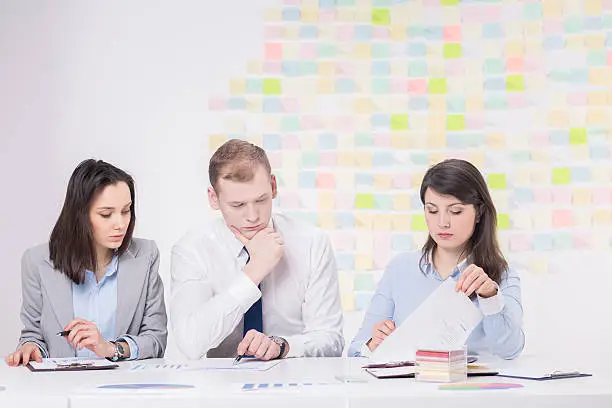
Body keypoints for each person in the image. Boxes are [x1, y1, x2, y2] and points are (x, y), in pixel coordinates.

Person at [171, 139, 344, 360]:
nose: (253, 216)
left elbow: (331, 340)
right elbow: (191, 343)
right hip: (221, 387)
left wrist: (284, 346)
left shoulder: (312, 243)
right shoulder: (192, 249)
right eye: (238, 205)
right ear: (214, 198)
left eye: (261, 200)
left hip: (295, 383)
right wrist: (254, 271)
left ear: (273, 186)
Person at [348, 159, 525, 359]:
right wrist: (374, 344)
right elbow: (355, 351)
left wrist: (490, 297)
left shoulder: (501, 276)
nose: (442, 222)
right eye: (432, 210)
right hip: (411, 388)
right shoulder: (401, 269)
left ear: (479, 213)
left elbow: (510, 350)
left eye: (455, 211)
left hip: (472, 388)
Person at [5, 159, 167, 366]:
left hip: (124, 389)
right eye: (106, 214)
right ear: (79, 215)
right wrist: (30, 348)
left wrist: (109, 348)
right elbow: (34, 335)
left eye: (126, 211)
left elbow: (156, 339)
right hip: (62, 390)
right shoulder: (37, 262)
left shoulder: (146, 256)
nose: (120, 224)